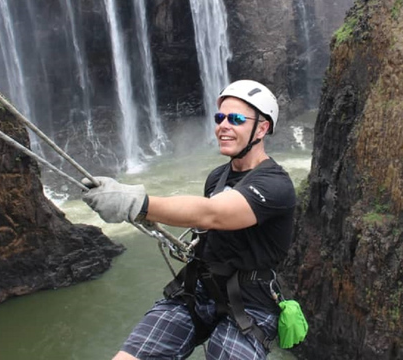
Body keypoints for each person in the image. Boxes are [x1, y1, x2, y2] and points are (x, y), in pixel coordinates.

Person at [82, 80, 297, 360]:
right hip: (199, 291)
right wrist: (151, 214)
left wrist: (138, 203)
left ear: (263, 128)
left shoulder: (276, 185)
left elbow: (212, 213)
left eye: (237, 119)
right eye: (220, 118)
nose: (224, 126)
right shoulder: (216, 178)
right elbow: (207, 216)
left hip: (251, 304)